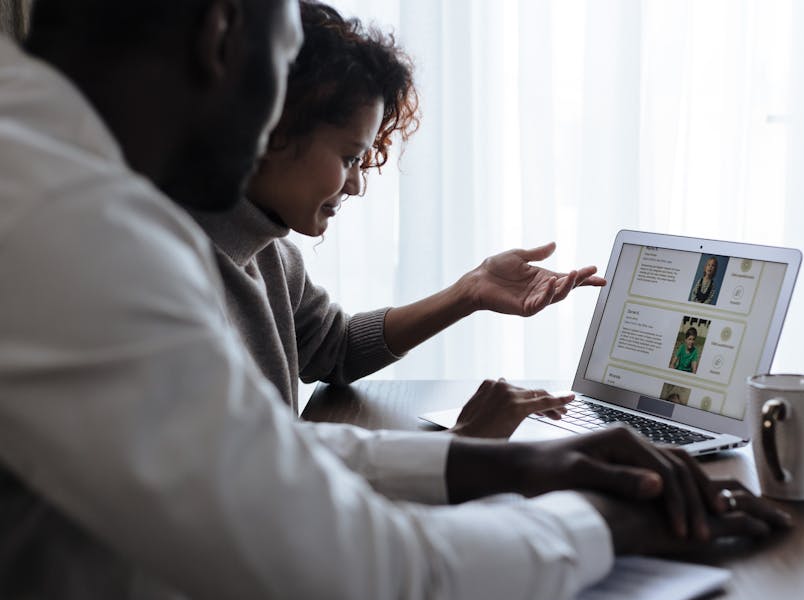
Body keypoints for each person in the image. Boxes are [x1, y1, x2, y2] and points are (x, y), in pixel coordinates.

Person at [0, 2, 791, 600]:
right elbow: (382, 586)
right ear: (219, 30)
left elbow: (254, 449)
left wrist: (519, 464)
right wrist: (602, 519)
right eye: (281, 66)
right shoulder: (73, 225)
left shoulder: (49, 170)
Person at [188, 1, 602, 437]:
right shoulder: (174, 264)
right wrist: (459, 448)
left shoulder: (273, 257)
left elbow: (336, 347)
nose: (355, 185)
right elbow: (244, 470)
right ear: (273, 125)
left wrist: (470, 291)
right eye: (349, 157)